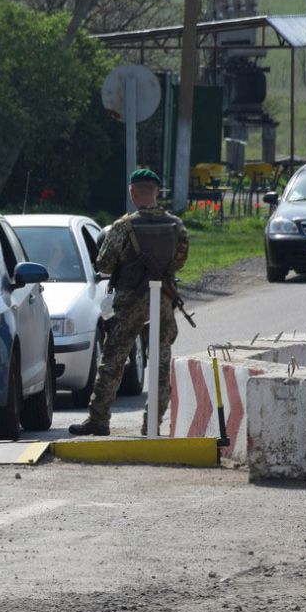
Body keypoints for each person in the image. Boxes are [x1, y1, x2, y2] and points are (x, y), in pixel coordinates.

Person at [69, 167, 189, 436]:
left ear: (133, 192)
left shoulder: (124, 226)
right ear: (157, 191)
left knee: (112, 361)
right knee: (160, 364)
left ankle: (99, 420)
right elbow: (180, 260)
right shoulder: (176, 225)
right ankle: (152, 426)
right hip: (163, 302)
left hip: (129, 302)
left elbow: (104, 263)